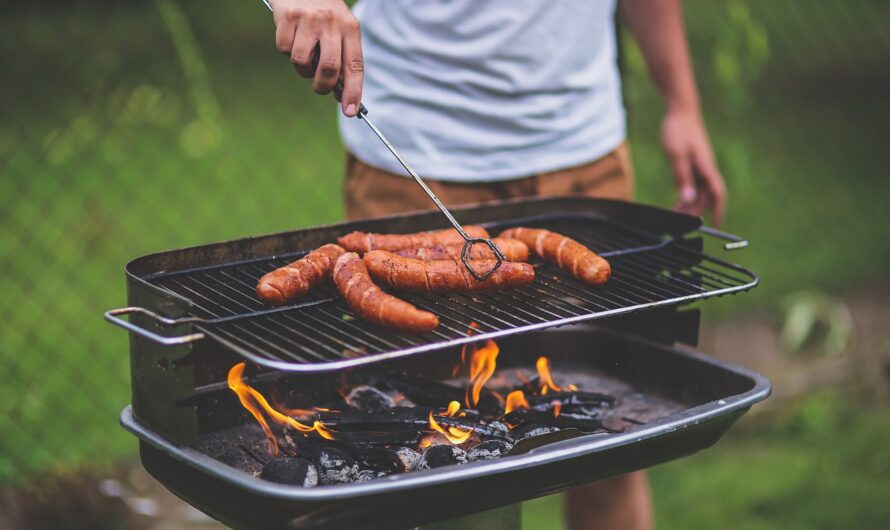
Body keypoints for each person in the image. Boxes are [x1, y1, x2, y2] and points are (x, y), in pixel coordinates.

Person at [270, 1, 725, 528]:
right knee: (430, 457)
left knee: (609, 438)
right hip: (412, 153)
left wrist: (682, 103)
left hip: (583, 153)